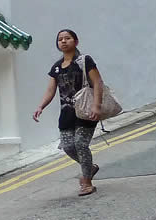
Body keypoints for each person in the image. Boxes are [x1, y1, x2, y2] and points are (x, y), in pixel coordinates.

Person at [33, 28, 104, 196]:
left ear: (76, 41)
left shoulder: (84, 61)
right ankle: (90, 167)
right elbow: (50, 90)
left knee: (80, 143)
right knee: (67, 146)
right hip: (66, 113)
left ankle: (86, 182)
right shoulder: (56, 67)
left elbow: (98, 83)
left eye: (67, 38)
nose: (63, 41)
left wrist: (96, 106)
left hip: (85, 109)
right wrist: (40, 106)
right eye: (60, 39)